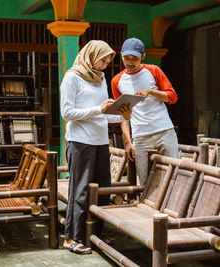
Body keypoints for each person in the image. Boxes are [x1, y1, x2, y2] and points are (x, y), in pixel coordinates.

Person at [60, 40, 131, 255]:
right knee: (80, 191)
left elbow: (104, 114)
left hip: (100, 142)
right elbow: (67, 113)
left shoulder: (100, 79)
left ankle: (95, 234)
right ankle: (72, 236)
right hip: (80, 142)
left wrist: (121, 114)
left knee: (102, 191)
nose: (105, 64)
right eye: (103, 59)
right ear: (91, 55)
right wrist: (97, 109)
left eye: (109, 61)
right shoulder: (72, 77)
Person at [111, 37, 179, 186]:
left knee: (173, 174)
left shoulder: (153, 71)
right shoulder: (117, 81)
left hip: (164, 131)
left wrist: (151, 92)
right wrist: (128, 142)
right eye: (126, 58)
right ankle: (148, 208)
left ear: (143, 56)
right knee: (145, 181)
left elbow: (172, 97)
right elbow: (122, 115)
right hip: (140, 136)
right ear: (121, 55)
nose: (130, 63)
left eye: (134, 58)